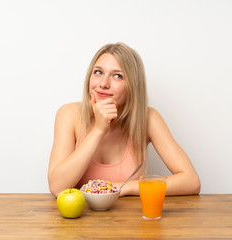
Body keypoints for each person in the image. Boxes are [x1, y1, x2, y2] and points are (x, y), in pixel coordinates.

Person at [48, 42, 200, 197]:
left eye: (117, 76)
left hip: (131, 218)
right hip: (80, 218)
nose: (103, 84)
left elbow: (191, 181)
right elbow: (57, 186)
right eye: (98, 72)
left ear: (132, 85)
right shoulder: (69, 114)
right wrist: (99, 129)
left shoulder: (148, 119)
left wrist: (123, 188)